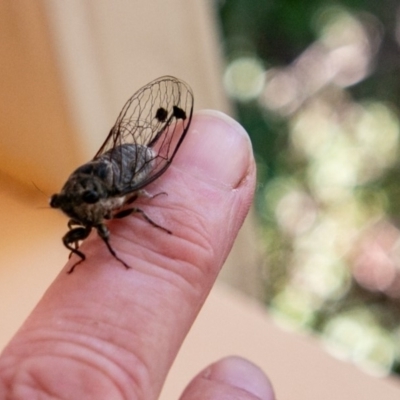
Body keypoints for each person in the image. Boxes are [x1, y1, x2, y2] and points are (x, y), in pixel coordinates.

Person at [0, 111, 275, 399]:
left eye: (85, 203)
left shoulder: (111, 196)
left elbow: (133, 205)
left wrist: (122, 250)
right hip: (112, 171)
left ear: (97, 199)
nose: (74, 212)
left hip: (130, 170)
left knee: (142, 206)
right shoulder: (81, 208)